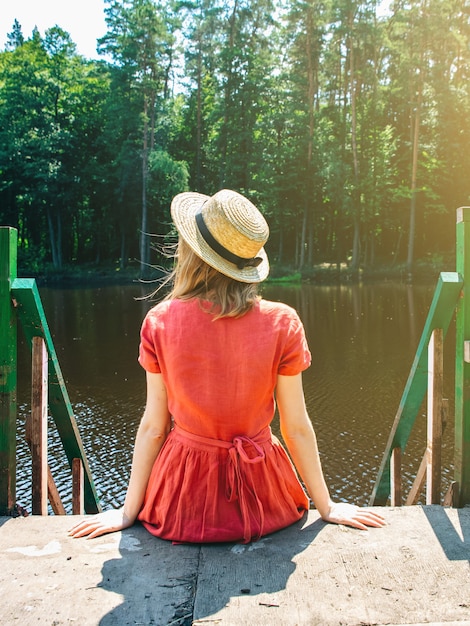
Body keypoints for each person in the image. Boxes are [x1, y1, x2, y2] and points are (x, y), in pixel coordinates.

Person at [69, 189, 385, 542]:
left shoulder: (158, 322)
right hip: (267, 501)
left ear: (189, 252)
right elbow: (295, 427)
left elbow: (154, 428)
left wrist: (128, 511)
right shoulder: (283, 322)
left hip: (180, 504)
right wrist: (325, 506)